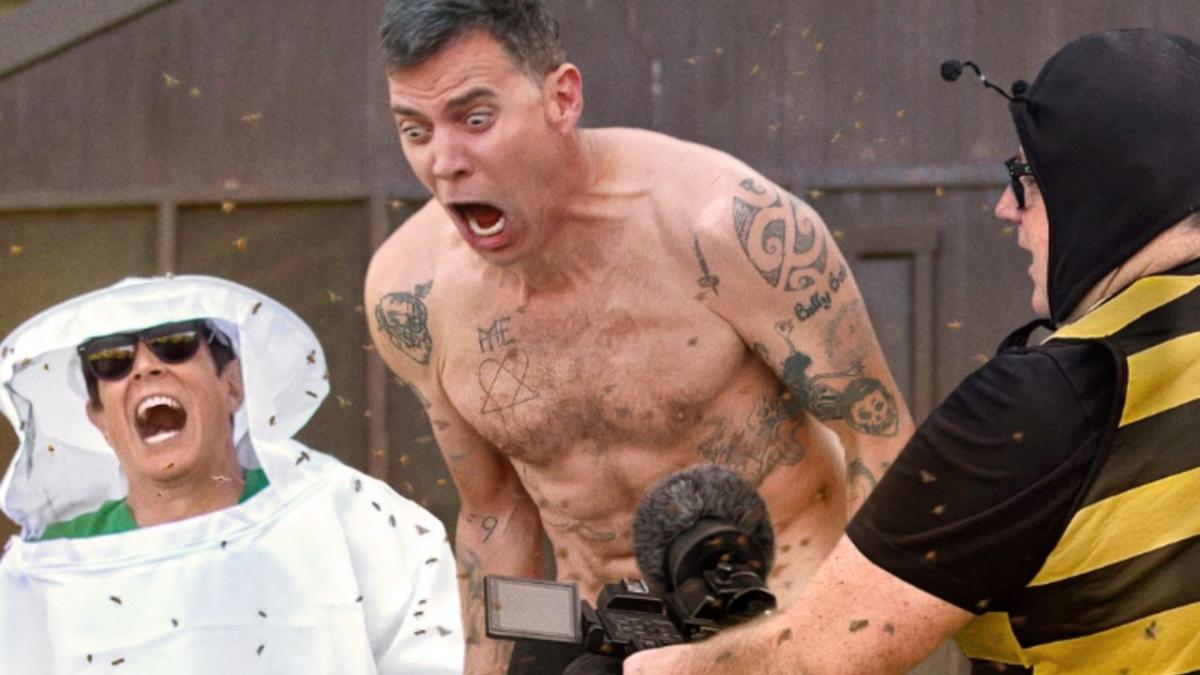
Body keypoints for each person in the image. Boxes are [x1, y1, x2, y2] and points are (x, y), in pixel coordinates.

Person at [625, 27, 1200, 675]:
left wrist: (645, 668)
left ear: (1097, 187)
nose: (1005, 207)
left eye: (1026, 178)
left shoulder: (1041, 405)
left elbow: (819, 656)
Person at [366, 1, 913, 672]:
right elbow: (495, 512)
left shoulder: (729, 226)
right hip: (600, 630)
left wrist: (851, 643)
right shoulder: (411, 292)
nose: (444, 161)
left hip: (775, 623)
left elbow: (879, 441)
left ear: (561, 98)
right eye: (415, 130)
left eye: (475, 120)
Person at [0, 275, 464, 674]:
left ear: (233, 385)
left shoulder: (344, 514)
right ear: (99, 418)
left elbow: (436, 648)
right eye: (112, 359)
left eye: (175, 344)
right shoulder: (48, 564)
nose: (145, 367)